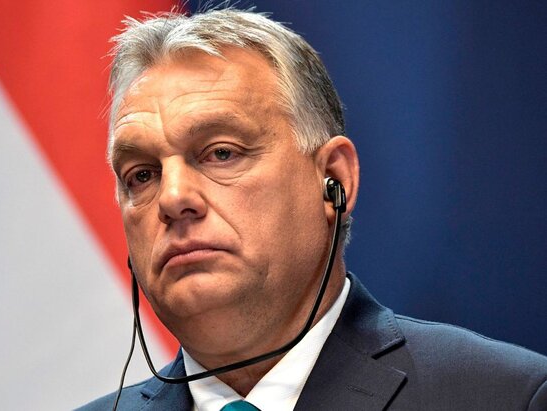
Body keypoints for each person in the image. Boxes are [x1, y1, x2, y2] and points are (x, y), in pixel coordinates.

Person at [80, 8, 547, 410]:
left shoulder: (507, 397)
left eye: (221, 153)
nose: (172, 198)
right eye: (142, 175)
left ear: (334, 181)